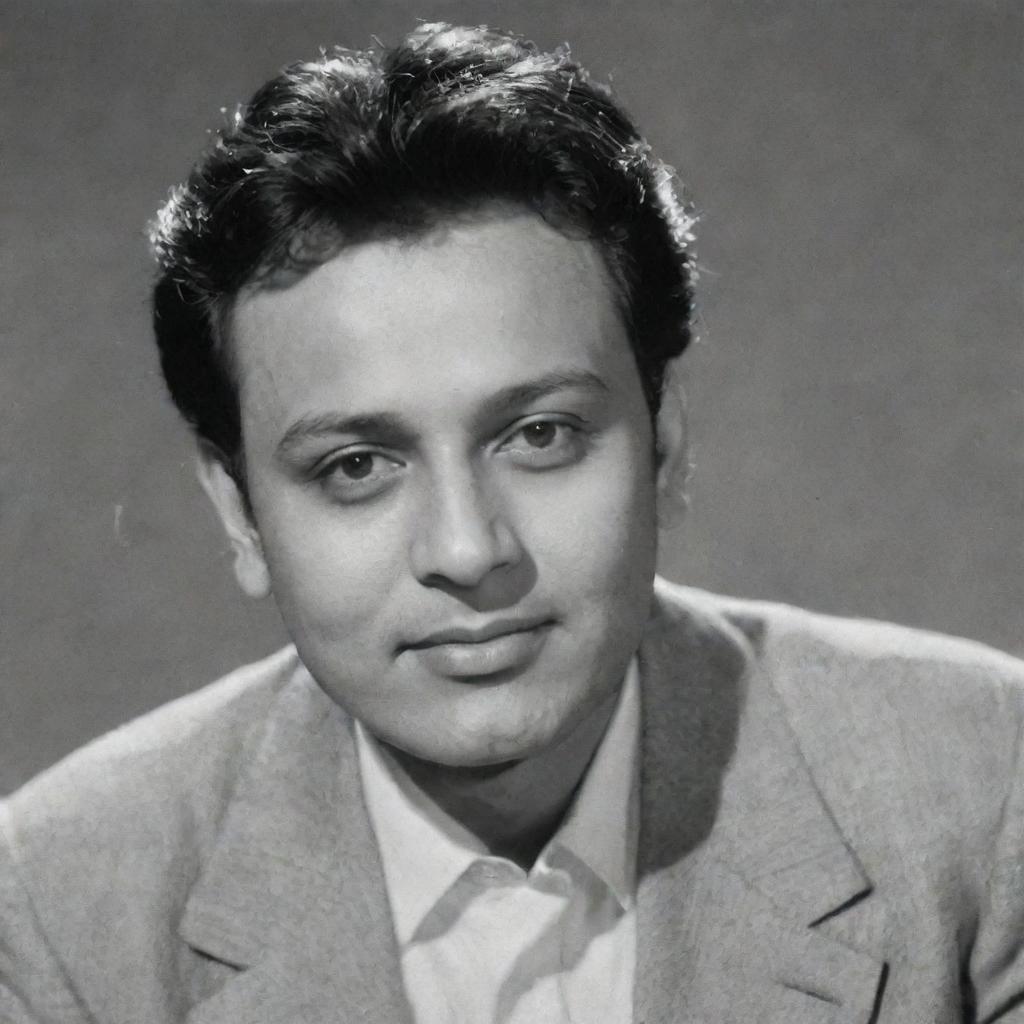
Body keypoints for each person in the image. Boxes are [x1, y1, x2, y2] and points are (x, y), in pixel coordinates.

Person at [1, 21, 1022, 1024]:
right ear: (241, 515)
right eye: (356, 465)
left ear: (662, 442)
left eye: (537, 435)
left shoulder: (984, 793)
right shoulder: (57, 917)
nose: (467, 550)